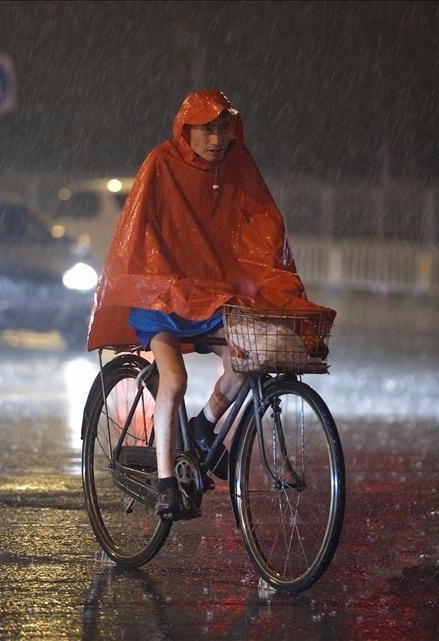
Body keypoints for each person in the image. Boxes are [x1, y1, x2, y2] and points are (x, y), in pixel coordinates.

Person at [86, 89, 336, 519]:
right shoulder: (162, 163)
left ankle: (202, 430)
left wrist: (267, 280)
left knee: (247, 359)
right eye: (206, 129)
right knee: (174, 380)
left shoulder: (237, 167)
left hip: (210, 297)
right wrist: (166, 280)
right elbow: (139, 229)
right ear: (187, 130)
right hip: (161, 297)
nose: (217, 139)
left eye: (223, 129)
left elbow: (263, 222)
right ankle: (166, 482)